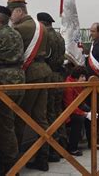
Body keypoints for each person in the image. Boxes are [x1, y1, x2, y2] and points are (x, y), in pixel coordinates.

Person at [8, 0, 52, 172]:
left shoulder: (19, 29)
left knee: (20, 117)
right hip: (44, 71)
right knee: (41, 118)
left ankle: (15, 162)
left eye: (11, 13)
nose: (10, 17)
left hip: (30, 75)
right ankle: (43, 158)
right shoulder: (41, 27)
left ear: (19, 11)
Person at [0, 5, 25, 175]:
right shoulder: (16, 34)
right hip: (19, 78)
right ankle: (13, 160)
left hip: (4, 81)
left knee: (5, 126)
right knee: (14, 122)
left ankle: (10, 167)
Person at [37, 12, 67, 163]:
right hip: (59, 77)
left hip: (48, 77)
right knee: (58, 112)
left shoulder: (45, 37)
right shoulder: (59, 37)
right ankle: (62, 145)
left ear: (41, 23)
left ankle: (52, 151)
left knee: (48, 114)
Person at [63, 66, 99, 156]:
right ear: (76, 77)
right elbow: (70, 106)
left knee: (94, 113)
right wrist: (84, 113)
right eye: (82, 77)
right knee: (78, 119)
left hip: (78, 106)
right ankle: (73, 148)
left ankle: (93, 142)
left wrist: (88, 112)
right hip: (68, 111)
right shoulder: (69, 86)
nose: (84, 79)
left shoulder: (79, 84)